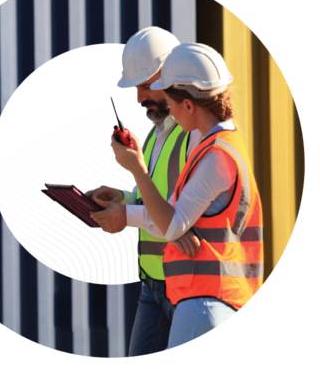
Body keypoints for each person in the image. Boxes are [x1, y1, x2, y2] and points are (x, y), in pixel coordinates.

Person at [107, 43, 264, 351]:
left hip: (206, 302)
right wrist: (127, 198)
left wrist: (137, 169)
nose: (171, 112)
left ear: (190, 106)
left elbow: (174, 225)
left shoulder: (215, 157)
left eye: (173, 103)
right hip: (206, 298)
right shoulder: (217, 145)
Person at [84, 26, 204, 357]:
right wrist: (121, 198)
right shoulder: (154, 136)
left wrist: (127, 215)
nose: (139, 97)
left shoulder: (195, 135)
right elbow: (155, 198)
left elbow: (181, 215)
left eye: (147, 84)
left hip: (185, 283)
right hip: (154, 284)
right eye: (137, 87)